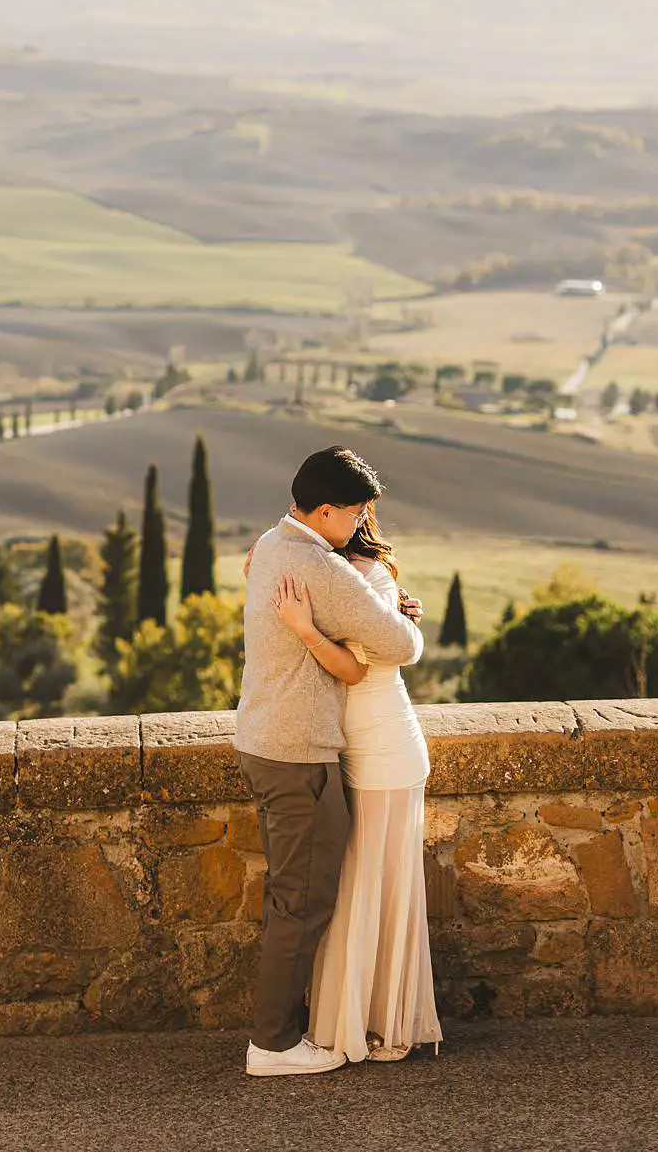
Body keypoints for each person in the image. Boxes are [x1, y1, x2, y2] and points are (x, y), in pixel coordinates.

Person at [234, 444, 424, 1079]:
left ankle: (279, 1035)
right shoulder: (320, 567)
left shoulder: (270, 544)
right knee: (303, 902)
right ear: (323, 512)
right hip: (299, 752)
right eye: (355, 511)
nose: (361, 522)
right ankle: (273, 1045)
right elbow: (401, 646)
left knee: (289, 896)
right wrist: (399, 615)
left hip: (261, 740)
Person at [275, 500, 443, 1065]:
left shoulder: (363, 576)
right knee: (357, 883)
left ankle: (384, 1022)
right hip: (354, 744)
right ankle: (357, 1016)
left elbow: (358, 667)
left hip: (385, 746)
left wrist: (305, 629)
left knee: (378, 884)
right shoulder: (325, 569)